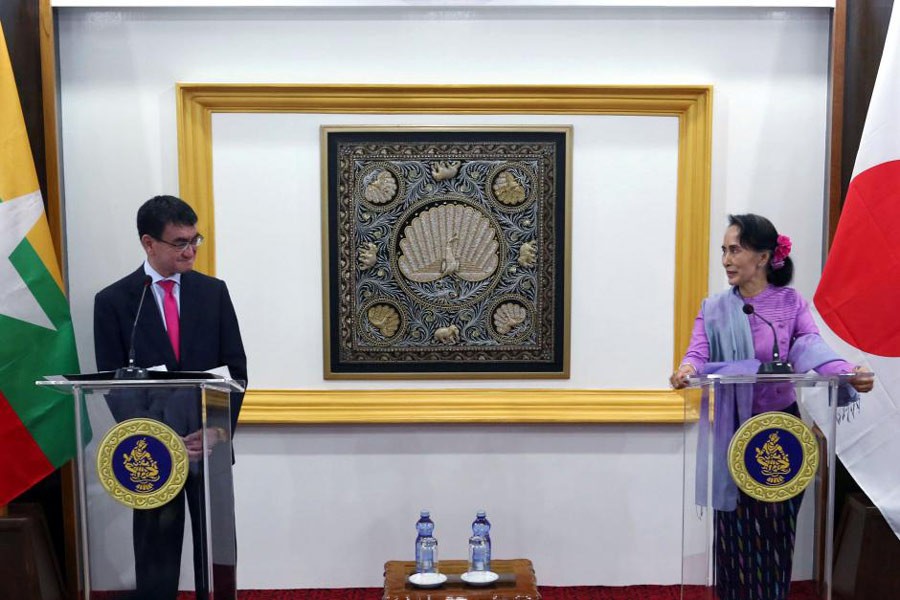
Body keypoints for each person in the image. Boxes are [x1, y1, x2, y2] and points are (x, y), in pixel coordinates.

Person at [670, 214, 873, 600]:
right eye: (724, 251)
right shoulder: (714, 309)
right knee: (735, 532)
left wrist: (848, 372)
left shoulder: (789, 303)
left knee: (776, 530)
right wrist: (687, 369)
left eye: (735, 250)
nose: (727, 259)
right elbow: (697, 352)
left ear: (763, 257)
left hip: (782, 432)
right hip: (735, 431)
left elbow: (810, 346)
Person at [94, 195, 247, 600]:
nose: (191, 250)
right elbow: (114, 382)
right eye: (180, 242)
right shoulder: (114, 302)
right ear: (149, 243)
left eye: (195, 239)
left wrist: (215, 433)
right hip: (151, 451)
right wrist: (156, 439)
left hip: (208, 447)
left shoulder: (213, 293)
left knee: (216, 558)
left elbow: (236, 371)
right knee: (156, 556)